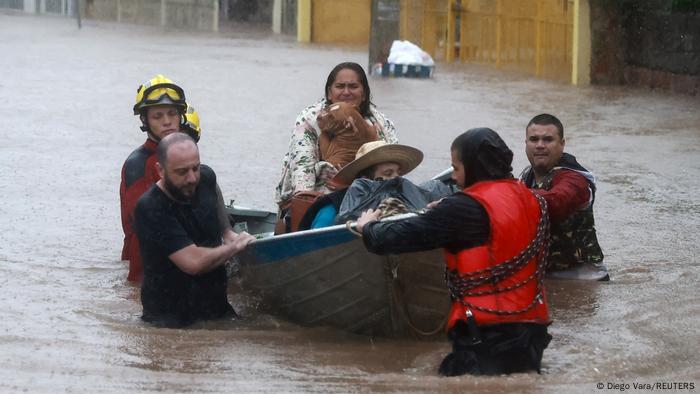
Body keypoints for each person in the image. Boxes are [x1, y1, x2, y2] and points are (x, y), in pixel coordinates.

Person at [356, 128, 552, 376]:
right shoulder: (534, 199)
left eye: (456, 168)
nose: (456, 179)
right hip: (533, 329)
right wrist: (448, 210)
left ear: (472, 166)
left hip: (485, 332)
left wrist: (369, 227)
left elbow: (394, 239)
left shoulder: (462, 209)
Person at [134, 132, 255, 328]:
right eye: (181, 172)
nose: (192, 178)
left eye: (195, 168)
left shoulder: (205, 178)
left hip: (217, 310)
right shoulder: (150, 208)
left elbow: (214, 196)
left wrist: (227, 232)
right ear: (161, 170)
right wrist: (235, 247)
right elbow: (193, 262)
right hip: (169, 322)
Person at [274, 62, 399, 211]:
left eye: (353, 86)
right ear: (329, 92)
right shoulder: (310, 119)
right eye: (340, 86)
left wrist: (352, 186)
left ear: (364, 93)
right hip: (321, 193)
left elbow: (393, 167)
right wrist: (305, 202)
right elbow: (303, 167)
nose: (346, 92)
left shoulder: (382, 123)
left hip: (369, 194)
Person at [520, 114, 609, 281]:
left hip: (583, 278)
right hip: (542, 275)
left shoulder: (575, 180)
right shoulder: (525, 178)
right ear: (526, 143)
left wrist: (507, 194)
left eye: (547, 139)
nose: (540, 145)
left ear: (562, 144)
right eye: (534, 139)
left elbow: (557, 201)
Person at [298, 140, 424, 230]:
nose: (396, 179)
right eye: (388, 173)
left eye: (398, 173)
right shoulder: (334, 207)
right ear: (365, 179)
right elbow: (317, 243)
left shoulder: (406, 201)